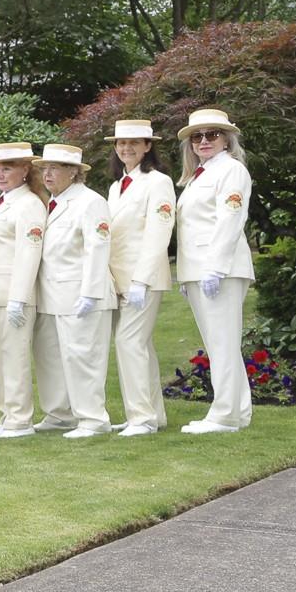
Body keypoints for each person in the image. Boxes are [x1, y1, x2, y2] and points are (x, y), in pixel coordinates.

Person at [174, 108, 255, 434]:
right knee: (220, 344)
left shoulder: (231, 170)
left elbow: (230, 220)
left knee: (222, 344)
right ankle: (238, 412)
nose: (204, 140)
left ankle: (224, 416)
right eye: (197, 136)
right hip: (199, 270)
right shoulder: (199, 175)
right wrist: (188, 273)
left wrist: (215, 269)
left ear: (226, 139)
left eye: (212, 134)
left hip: (220, 269)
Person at [31, 143, 117, 438]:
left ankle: (93, 419)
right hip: (54, 296)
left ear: (73, 172)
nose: (47, 174)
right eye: (45, 168)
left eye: (55, 168)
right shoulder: (52, 203)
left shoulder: (90, 202)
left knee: (84, 358)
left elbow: (98, 247)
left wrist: (90, 293)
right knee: (54, 359)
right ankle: (60, 415)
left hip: (81, 295)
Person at [104, 120, 175, 437]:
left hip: (142, 279)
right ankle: (152, 414)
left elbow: (159, 233)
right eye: (121, 143)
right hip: (119, 278)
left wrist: (141, 281)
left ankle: (141, 418)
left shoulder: (158, 182)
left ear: (148, 146)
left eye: (134, 142)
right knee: (140, 346)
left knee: (129, 342)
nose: (126, 148)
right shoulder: (116, 186)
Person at [0, 142, 49, 440]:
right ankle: (8, 415)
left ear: (25, 170)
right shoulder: (2, 203)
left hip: (12, 295)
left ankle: (20, 419)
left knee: (14, 357)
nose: (0, 175)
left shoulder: (29, 204)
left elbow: (28, 253)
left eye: (7, 168)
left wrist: (18, 298)